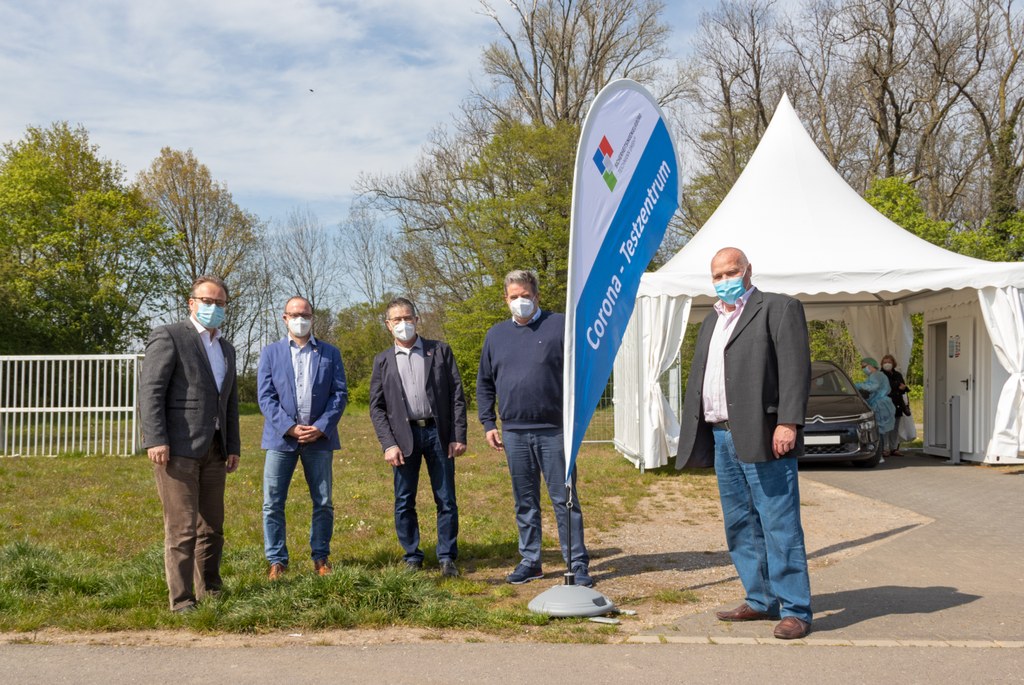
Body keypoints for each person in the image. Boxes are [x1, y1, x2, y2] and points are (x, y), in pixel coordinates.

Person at [675, 247, 813, 640]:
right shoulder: (711, 320)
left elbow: (795, 370)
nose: (724, 280)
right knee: (740, 524)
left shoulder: (779, 309)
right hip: (721, 436)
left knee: (779, 523)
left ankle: (796, 610)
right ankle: (759, 599)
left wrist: (788, 422)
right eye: (717, 275)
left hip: (764, 433)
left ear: (748, 271)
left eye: (731, 272)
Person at [477, 270, 592, 587]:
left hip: (554, 431)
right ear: (506, 299)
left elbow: (578, 373)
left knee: (564, 499)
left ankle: (577, 563)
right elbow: (485, 383)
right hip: (513, 432)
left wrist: (576, 418)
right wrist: (488, 422)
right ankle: (531, 560)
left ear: (537, 296)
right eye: (514, 297)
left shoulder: (559, 326)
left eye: (525, 295)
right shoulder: (495, 336)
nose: (520, 301)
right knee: (524, 501)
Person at [140, 275, 240, 613]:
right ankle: (182, 600)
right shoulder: (169, 336)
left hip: (215, 448)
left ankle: (210, 588)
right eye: (207, 301)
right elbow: (151, 391)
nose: (214, 307)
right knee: (182, 529)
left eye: (220, 303)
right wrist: (155, 438)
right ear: (191, 303)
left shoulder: (226, 348)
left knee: (212, 527)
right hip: (178, 448)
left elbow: (230, 401)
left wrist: (233, 445)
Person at [369, 297, 467, 577]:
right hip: (403, 438)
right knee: (404, 500)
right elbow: (376, 407)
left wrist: (457, 435)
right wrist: (388, 443)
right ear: (389, 325)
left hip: (439, 433)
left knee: (446, 498)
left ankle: (447, 556)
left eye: (408, 318)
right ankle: (412, 555)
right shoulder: (382, 361)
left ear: (417, 319)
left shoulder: (440, 352)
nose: (403, 324)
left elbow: (457, 396)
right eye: (397, 320)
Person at [257, 296, 348, 580]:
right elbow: (265, 396)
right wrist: (288, 427)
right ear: (284, 318)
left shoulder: (330, 353)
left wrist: (321, 426)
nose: (300, 319)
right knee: (273, 502)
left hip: (319, 439)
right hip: (280, 440)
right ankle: (277, 560)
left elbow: (339, 394)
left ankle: (321, 557)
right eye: (295, 314)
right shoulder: (270, 353)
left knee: (323, 501)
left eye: (305, 314)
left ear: (312, 318)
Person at [856, 357, 896, 460]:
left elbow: (872, 387)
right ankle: (880, 453)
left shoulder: (876, 375)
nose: (863, 368)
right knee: (880, 431)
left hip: (880, 405)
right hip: (882, 404)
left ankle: (879, 455)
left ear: (870, 365)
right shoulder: (879, 375)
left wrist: (857, 385)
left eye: (864, 366)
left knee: (879, 431)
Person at [880, 354, 910, 456]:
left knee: (895, 427)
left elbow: (903, 387)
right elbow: (886, 387)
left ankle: (894, 448)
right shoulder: (880, 375)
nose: (887, 364)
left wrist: (903, 388)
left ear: (893, 363)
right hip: (885, 404)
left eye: (889, 362)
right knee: (886, 427)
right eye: (885, 362)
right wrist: (898, 386)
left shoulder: (898, 375)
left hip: (897, 403)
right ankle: (885, 448)